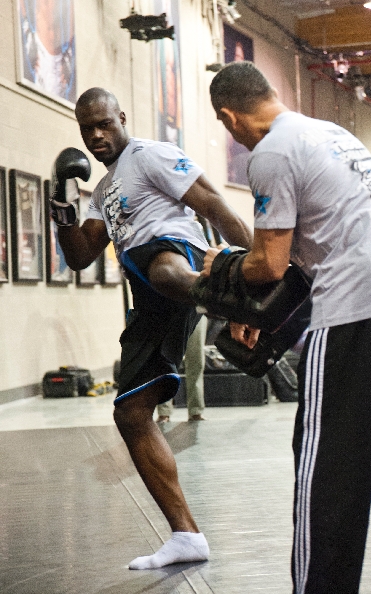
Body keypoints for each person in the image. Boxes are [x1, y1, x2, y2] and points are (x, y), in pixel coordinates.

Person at [202, 61, 371, 594]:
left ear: (229, 118)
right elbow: (321, 248)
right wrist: (262, 318)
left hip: (357, 309)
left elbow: (269, 264)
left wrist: (222, 266)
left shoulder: (271, 152)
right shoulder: (331, 135)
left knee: (329, 474)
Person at [51, 87, 253, 570]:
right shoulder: (103, 191)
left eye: (105, 124)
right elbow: (79, 255)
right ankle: (186, 536)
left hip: (177, 256)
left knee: (160, 266)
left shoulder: (150, 155)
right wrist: (61, 198)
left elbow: (214, 205)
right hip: (149, 292)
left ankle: (230, 301)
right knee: (131, 413)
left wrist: (254, 282)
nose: (96, 135)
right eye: (87, 128)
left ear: (122, 118)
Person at [157, 315, 207, 422]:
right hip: (168, 311)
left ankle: (196, 410)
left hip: (195, 312)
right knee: (165, 360)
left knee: (196, 360)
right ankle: (164, 411)